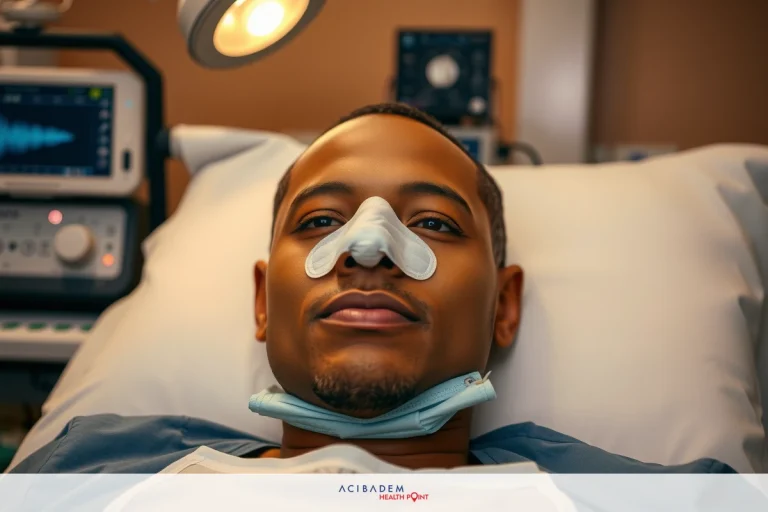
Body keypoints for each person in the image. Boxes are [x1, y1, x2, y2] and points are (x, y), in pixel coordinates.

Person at [10, 103, 734, 474]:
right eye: (322, 220)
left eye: (434, 224)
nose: (369, 249)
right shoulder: (88, 470)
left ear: (504, 307)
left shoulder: (656, 501)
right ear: (262, 302)